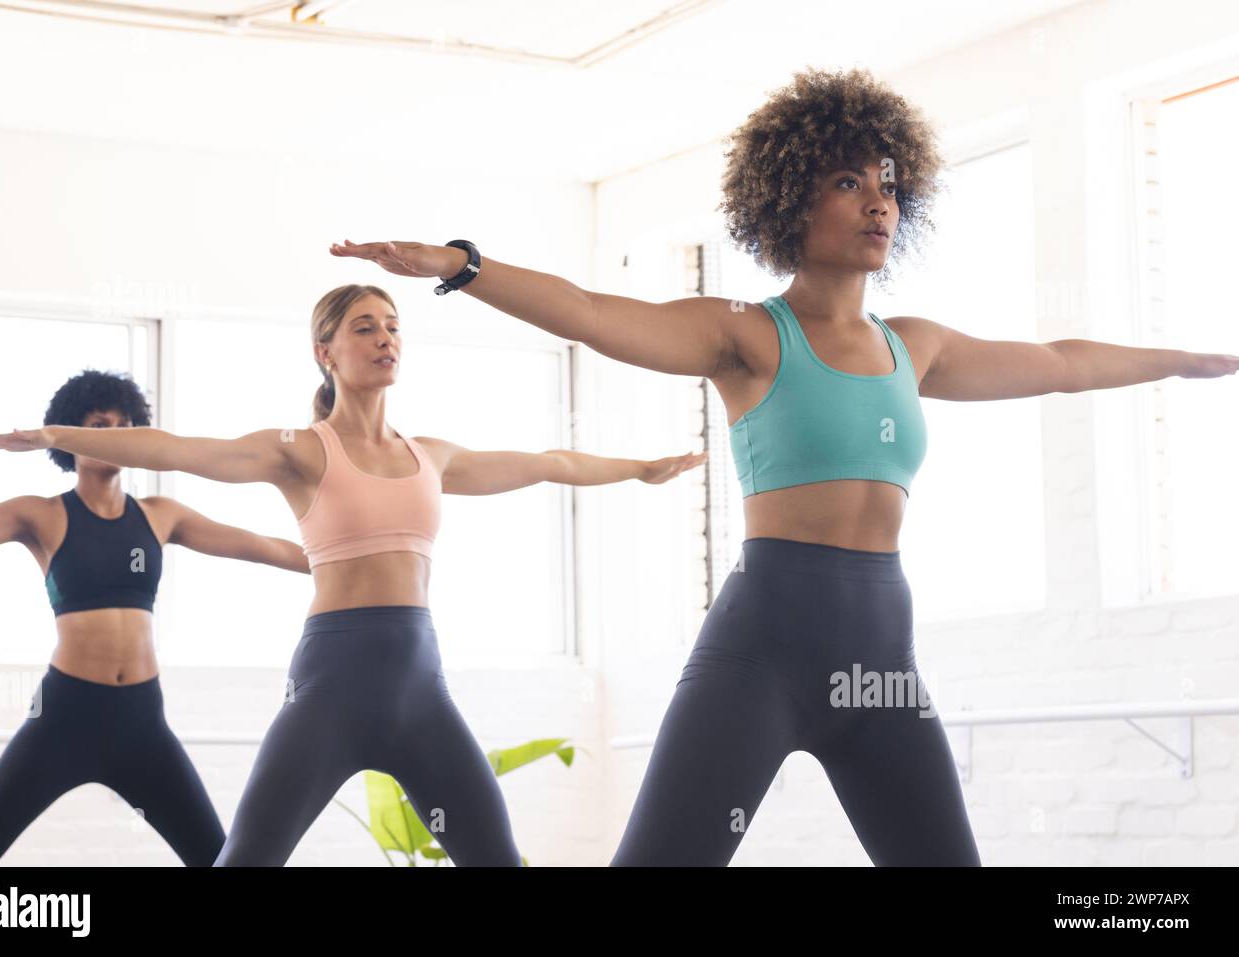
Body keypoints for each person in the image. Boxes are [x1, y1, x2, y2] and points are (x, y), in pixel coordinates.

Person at [326, 66, 1238, 865]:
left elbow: (1062, 362)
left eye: (886, 183)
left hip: (881, 659)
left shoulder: (912, 347)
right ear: (792, 201)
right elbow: (590, 310)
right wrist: (465, 264)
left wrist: (1190, 360)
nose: (878, 201)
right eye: (849, 182)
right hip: (762, 651)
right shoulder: (748, 335)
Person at [0, 285, 705, 866]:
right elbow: (180, 448)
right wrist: (50, 436)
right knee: (245, 857)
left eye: (392, 326)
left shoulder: (432, 454)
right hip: (332, 686)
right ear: (326, 351)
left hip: (423, 691)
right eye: (365, 327)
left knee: (494, 857)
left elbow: (549, 462)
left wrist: (638, 469)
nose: (385, 338)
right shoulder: (299, 451)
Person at [0, 369, 311, 866]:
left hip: (141, 721)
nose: (114, 435)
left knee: (219, 859)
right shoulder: (41, 515)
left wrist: (352, 557)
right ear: (68, 435)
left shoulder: (161, 515)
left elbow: (260, 546)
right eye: (98, 424)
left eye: (125, 425)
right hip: (63, 717)